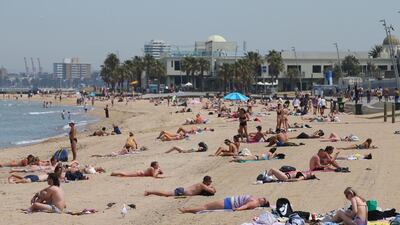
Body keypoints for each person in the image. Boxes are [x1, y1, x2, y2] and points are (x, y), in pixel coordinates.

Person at [179, 195, 270, 213]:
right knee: (206, 206)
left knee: (206, 207)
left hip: (228, 204)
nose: (263, 197)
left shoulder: (254, 203)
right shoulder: (255, 199)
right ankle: (188, 210)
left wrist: (237, 209)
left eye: (264, 199)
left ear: (262, 203)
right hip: (228, 201)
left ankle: (186, 210)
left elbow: (246, 206)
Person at [144, 176, 216, 197]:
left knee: (165, 194)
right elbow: (212, 191)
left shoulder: (201, 184)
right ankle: (149, 191)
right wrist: (212, 187)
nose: (210, 183)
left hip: (182, 191)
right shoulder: (202, 185)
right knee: (165, 193)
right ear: (207, 181)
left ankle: (150, 192)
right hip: (181, 192)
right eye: (210, 181)